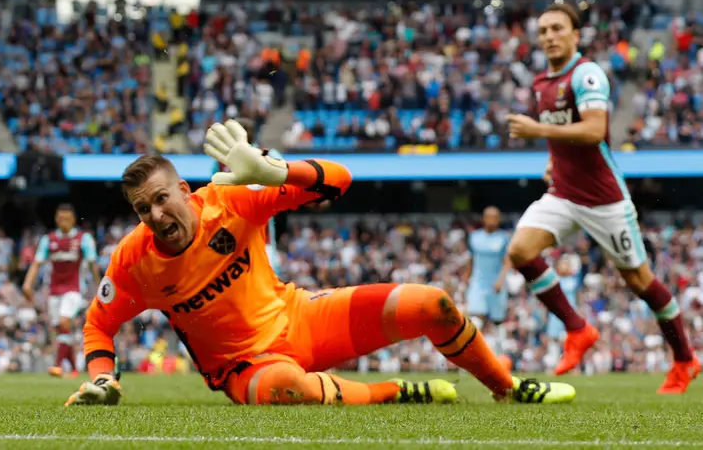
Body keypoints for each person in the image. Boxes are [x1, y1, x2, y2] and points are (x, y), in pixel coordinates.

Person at [67, 121, 575, 407]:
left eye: (161, 199)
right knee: (290, 390)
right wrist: (104, 377)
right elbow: (98, 324)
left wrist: (273, 170)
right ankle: (397, 393)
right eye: (142, 209)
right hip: (248, 368)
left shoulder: (231, 200)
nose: (155, 216)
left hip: (301, 318)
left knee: (433, 303)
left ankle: (508, 391)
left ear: (183, 190)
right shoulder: (134, 258)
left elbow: (341, 178)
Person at [505, 3, 700, 393]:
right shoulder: (542, 82)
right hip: (562, 192)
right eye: (543, 31)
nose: (549, 36)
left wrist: (534, 130)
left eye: (557, 28)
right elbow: (561, 133)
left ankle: (684, 359)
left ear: (575, 35)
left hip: (604, 199)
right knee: (521, 251)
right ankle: (578, 330)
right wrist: (550, 161)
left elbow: (594, 130)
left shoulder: (587, 74)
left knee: (639, 280)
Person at [22, 203, 99, 377]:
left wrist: (98, 289)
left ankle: (57, 365)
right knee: (60, 329)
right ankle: (73, 369)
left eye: (66, 218)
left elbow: (93, 265)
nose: (62, 221)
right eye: (59, 218)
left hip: (75, 289)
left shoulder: (83, 239)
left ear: (73, 219)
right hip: (54, 291)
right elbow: (37, 263)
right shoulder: (48, 240)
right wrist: (28, 284)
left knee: (65, 322)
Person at [464, 206, 512, 370]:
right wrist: (466, 278)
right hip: (478, 283)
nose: (492, 220)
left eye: (495, 217)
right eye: (489, 217)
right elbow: (472, 259)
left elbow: (507, 261)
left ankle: (500, 360)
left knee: (498, 322)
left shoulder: (504, 238)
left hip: (495, 284)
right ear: (484, 219)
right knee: (475, 320)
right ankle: (471, 359)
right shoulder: (474, 237)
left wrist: (501, 279)